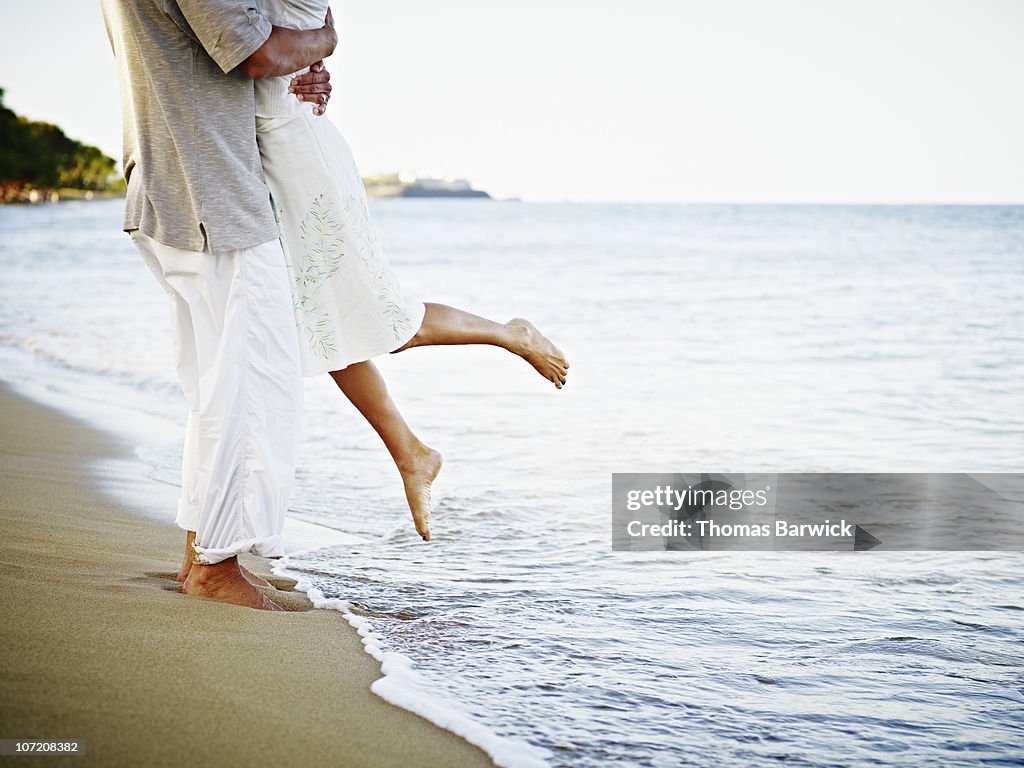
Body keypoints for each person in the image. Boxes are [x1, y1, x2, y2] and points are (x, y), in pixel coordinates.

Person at [253, 0, 570, 542]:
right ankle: (412, 454)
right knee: (323, 327)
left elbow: (284, 43)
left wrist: (321, 49)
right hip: (275, 153)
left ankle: (507, 335)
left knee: (370, 314)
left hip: (300, 157)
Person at [101, 0, 340, 610]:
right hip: (213, 191)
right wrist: (323, 38)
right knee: (253, 388)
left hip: (173, 180)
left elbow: (246, 52)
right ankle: (215, 566)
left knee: (215, 392)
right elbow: (258, 53)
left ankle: (202, 555)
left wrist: (298, 58)